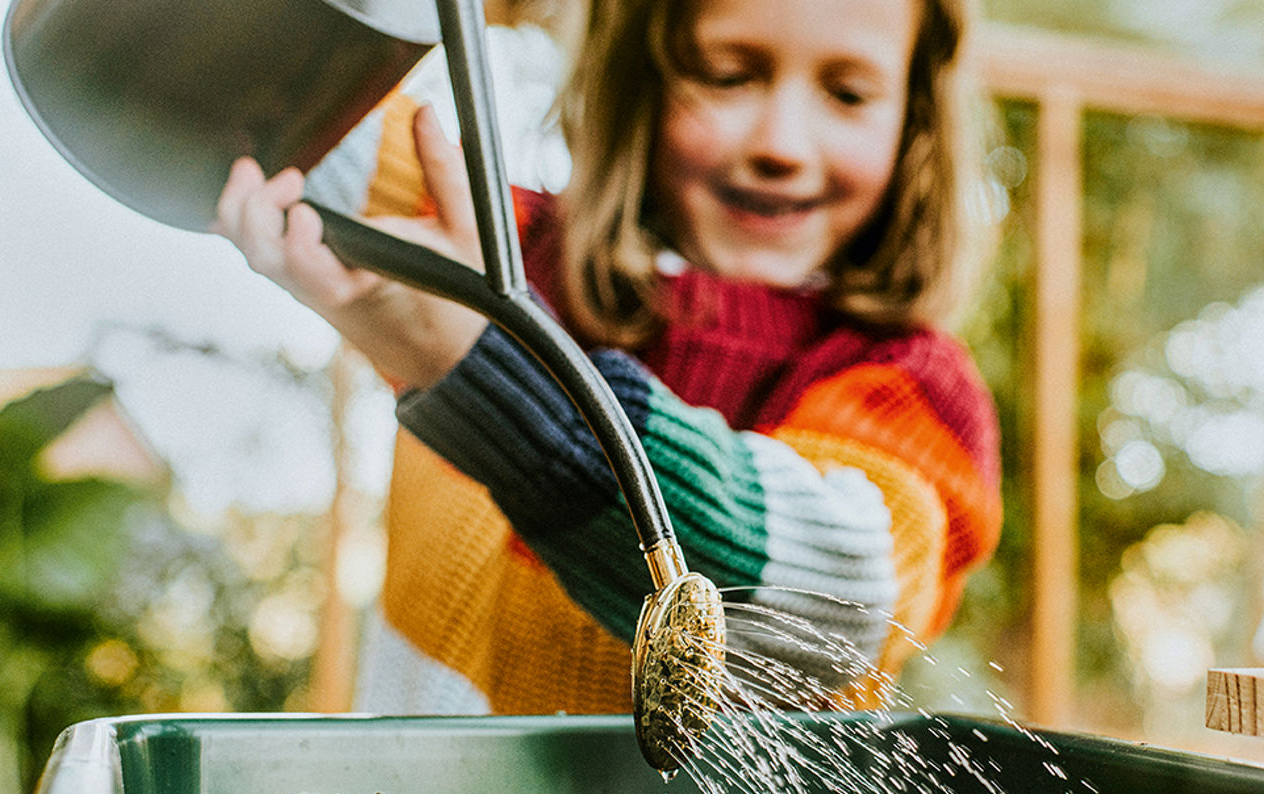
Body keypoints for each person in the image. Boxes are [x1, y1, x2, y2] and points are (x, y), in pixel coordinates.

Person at [213, 0, 1002, 717]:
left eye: (849, 94)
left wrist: (481, 368)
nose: (781, 146)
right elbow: (266, 90)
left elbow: (837, 596)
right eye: (728, 76)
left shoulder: (910, 384)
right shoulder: (495, 242)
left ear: (915, 122)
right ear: (637, 78)